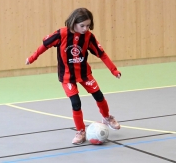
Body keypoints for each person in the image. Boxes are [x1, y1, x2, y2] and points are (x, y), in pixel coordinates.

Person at [25, 8, 121, 144]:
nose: (85, 29)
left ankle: (106, 117)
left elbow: (102, 54)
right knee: (76, 103)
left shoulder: (88, 37)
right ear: (73, 22)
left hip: (84, 74)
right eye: (82, 26)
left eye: (88, 26)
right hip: (67, 77)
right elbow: (44, 46)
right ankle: (81, 131)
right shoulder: (61, 34)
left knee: (99, 96)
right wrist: (32, 58)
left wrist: (114, 70)